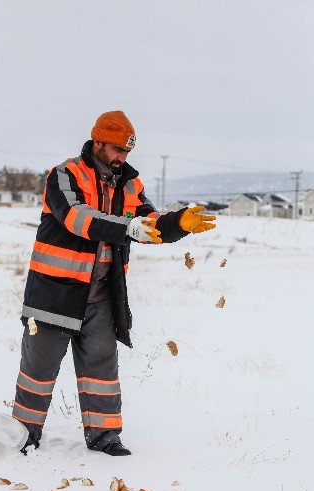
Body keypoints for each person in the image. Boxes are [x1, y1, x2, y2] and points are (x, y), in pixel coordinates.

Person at [12, 110, 216, 456]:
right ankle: (23, 434)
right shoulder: (65, 174)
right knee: (39, 369)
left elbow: (148, 222)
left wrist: (178, 222)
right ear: (98, 142)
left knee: (101, 369)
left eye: (127, 153)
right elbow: (77, 218)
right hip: (54, 292)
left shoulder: (129, 184)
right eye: (118, 150)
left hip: (103, 295)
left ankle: (105, 436)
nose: (123, 158)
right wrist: (127, 227)